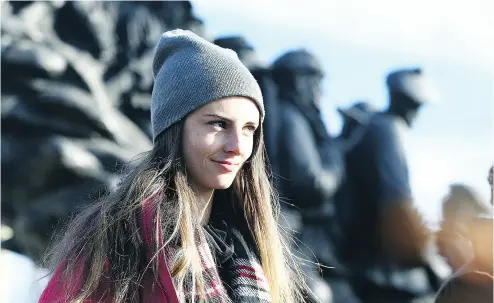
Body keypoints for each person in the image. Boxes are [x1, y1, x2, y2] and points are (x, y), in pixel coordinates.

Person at [39, 29, 309, 303]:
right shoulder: (119, 238)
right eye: (218, 124)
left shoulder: (252, 250)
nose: (238, 146)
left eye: (249, 128)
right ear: (174, 128)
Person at [339, 68, 437, 302]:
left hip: (375, 265)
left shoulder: (378, 128)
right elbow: (397, 202)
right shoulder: (387, 130)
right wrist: (430, 263)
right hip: (386, 273)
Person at [271, 49, 351, 303]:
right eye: (317, 81)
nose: (320, 91)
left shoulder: (289, 116)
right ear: (300, 80)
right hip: (292, 236)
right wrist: (335, 161)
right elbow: (312, 184)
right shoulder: (292, 118)